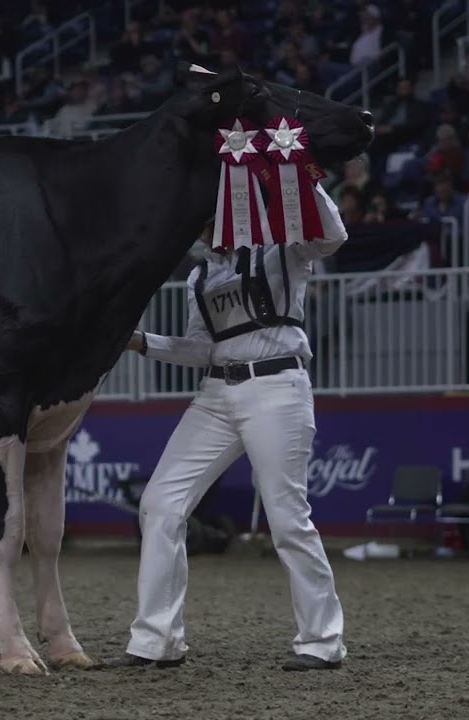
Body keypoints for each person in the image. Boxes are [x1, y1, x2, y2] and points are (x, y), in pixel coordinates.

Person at [104, 184, 349, 673]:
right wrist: (139, 342)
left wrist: (304, 177)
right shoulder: (200, 276)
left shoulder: (280, 249)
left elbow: (333, 235)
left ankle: (323, 641)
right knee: (159, 504)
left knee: (286, 517)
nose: (199, 230)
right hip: (217, 393)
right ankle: (157, 639)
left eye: (205, 219)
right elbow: (200, 349)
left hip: (277, 386)